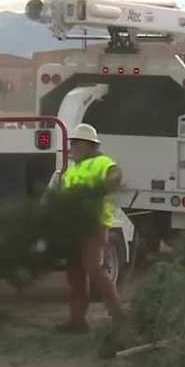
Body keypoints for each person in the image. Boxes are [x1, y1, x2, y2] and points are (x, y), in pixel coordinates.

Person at [56, 123, 126, 333]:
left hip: (95, 224)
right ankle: (77, 322)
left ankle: (119, 318)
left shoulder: (101, 162)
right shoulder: (71, 169)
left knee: (94, 269)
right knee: (75, 273)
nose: (73, 147)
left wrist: (105, 185)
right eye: (71, 143)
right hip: (74, 226)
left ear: (89, 145)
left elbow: (115, 173)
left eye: (76, 143)